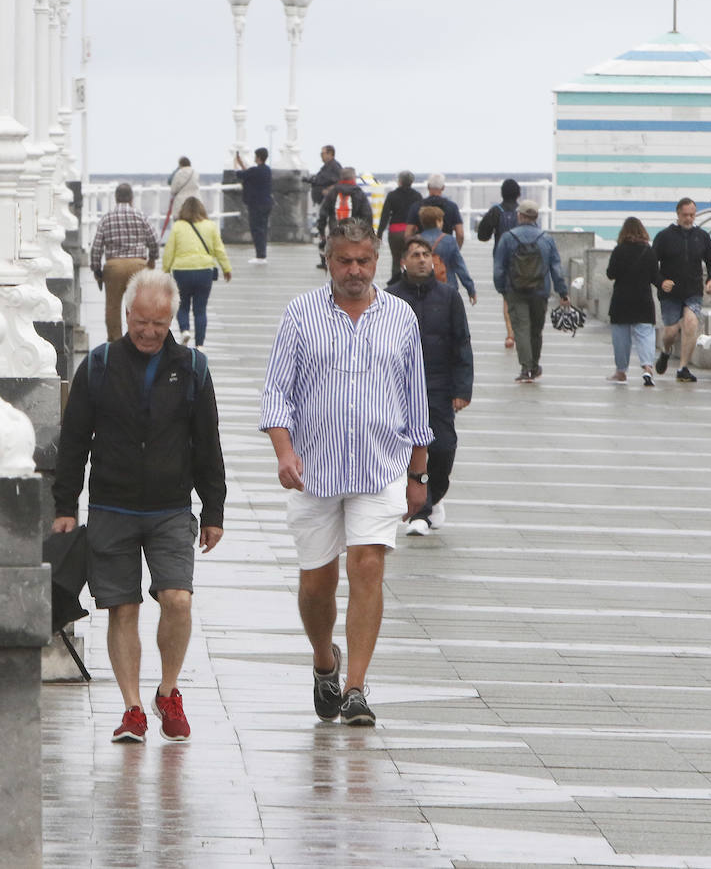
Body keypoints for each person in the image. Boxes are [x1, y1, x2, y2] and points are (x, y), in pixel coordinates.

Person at [260, 217, 433, 728]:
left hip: (380, 467)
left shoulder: (400, 317)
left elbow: (415, 399)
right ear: (328, 260)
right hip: (313, 471)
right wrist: (284, 452)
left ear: (378, 261)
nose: (354, 271)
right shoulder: (300, 314)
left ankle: (356, 687)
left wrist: (418, 476)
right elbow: (275, 392)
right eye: (344, 261)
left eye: (363, 261)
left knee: (367, 567)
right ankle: (324, 662)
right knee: (317, 582)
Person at [52, 269, 227, 743]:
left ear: (171, 317)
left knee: (178, 599)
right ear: (127, 314)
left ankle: (168, 692)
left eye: (160, 322)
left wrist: (214, 511)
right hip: (112, 506)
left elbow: (207, 444)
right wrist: (66, 504)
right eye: (142, 321)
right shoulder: (101, 365)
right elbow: (75, 441)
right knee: (121, 608)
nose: (150, 331)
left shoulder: (193, 368)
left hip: (171, 508)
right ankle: (132, 707)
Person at [387, 236, 473, 535]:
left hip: (438, 387)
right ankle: (420, 513)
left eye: (426, 254)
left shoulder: (449, 297)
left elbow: (462, 343)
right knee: (411, 449)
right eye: (415, 254)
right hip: (399, 390)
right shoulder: (390, 297)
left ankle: (434, 497)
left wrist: (462, 390)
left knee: (444, 448)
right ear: (403, 261)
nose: (422, 259)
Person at [493, 199, 570, 383]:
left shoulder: (508, 237)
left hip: (515, 290)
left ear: (520, 215)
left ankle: (525, 367)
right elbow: (556, 268)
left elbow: (499, 268)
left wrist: (502, 288)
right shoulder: (546, 238)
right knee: (536, 330)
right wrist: (562, 292)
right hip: (540, 291)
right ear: (536, 217)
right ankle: (534, 366)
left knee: (521, 328)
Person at [652, 197, 711, 383]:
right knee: (671, 333)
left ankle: (683, 368)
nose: (689, 219)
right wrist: (660, 281)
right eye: (685, 215)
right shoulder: (664, 236)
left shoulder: (702, 236)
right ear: (678, 214)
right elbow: (651, 264)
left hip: (693, 290)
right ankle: (666, 351)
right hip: (670, 293)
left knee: (691, 324)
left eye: (692, 215)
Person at [90, 182, 160, 341]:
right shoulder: (140, 216)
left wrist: (97, 270)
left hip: (114, 266)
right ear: (131, 199)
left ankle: (115, 342)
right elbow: (154, 241)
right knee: (138, 305)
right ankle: (138, 338)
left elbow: (96, 247)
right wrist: (152, 259)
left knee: (113, 307)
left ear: (115, 198)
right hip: (138, 265)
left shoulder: (107, 218)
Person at [162, 196, 232, 348]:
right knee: (200, 310)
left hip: (182, 272)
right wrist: (226, 268)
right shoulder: (210, 226)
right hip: (204, 271)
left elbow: (169, 251)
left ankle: (185, 330)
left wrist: (165, 269)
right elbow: (219, 249)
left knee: (182, 305)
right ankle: (200, 344)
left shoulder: (178, 226)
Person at [605, 217, 660, 386]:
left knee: (621, 338)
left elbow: (610, 273)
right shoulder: (649, 251)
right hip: (643, 300)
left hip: (622, 300)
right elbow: (654, 276)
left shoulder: (619, 250)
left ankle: (621, 372)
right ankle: (647, 367)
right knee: (645, 335)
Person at [477, 178, 523, 351]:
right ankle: (522, 330)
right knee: (522, 295)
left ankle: (510, 334)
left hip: (502, 259)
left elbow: (483, 235)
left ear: (502, 194)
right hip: (524, 260)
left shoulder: (496, 211)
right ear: (518, 194)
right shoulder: (523, 211)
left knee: (507, 297)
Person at [415, 205, 477, 306]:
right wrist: (471, 289)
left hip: (421, 288)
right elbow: (460, 267)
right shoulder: (449, 240)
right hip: (447, 286)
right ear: (438, 221)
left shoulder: (416, 241)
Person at [316, 166, 373, 265]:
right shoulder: (358, 192)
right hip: (355, 232)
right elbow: (367, 214)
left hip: (335, 230)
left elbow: (323, 212)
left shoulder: (333, 192)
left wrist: (321, 230)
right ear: (353, 178)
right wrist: (368, 232)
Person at [377, 170, 421, 282]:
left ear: (400, 181)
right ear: (411, 182)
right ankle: (411, 282)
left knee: (396, 260)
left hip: (395, 232)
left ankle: (395, 286)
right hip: (411, 232)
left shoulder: (392, 196)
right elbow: (421, 215)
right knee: (411, 258)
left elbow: (385, 216)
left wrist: (379, 234)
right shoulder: (417, 196)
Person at [234, 147, 274, 265]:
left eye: (255, 156)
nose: (254, 158)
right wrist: (241, 163)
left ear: (258, 157)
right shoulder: (267, 170)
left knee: (256, 230)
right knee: (263, 229)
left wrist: (235, 164)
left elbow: (240, 174)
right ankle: (262, 255)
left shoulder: (255, 171)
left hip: (257, 205)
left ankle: (260, 256)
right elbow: (249, 174)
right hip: (266, 204)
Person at [404, 173, 465, 247]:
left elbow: (408, 233)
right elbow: (460, 234)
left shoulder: (416, 206)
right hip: (445, 247)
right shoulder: (452, 207)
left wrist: (412, 249)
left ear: (428, 187)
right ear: (443, 187)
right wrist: (456, 249)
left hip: (423, 248)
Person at [164, 156, 199, 238]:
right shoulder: (195, 173)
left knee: (181, 224)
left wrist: (176, 169)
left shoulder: (179, 173)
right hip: (195, 202)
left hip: (181, 203)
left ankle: (182, 239)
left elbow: (173, 188)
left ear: (180, 164)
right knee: (193, 224)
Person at [307, 144, 342, 209]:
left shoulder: (335, 166)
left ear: (330, 154)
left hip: (327, 203)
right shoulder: (325, 167)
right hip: (320, 202)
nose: (321, 156)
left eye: (322, 154)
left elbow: (340, 182)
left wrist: (328, 190)